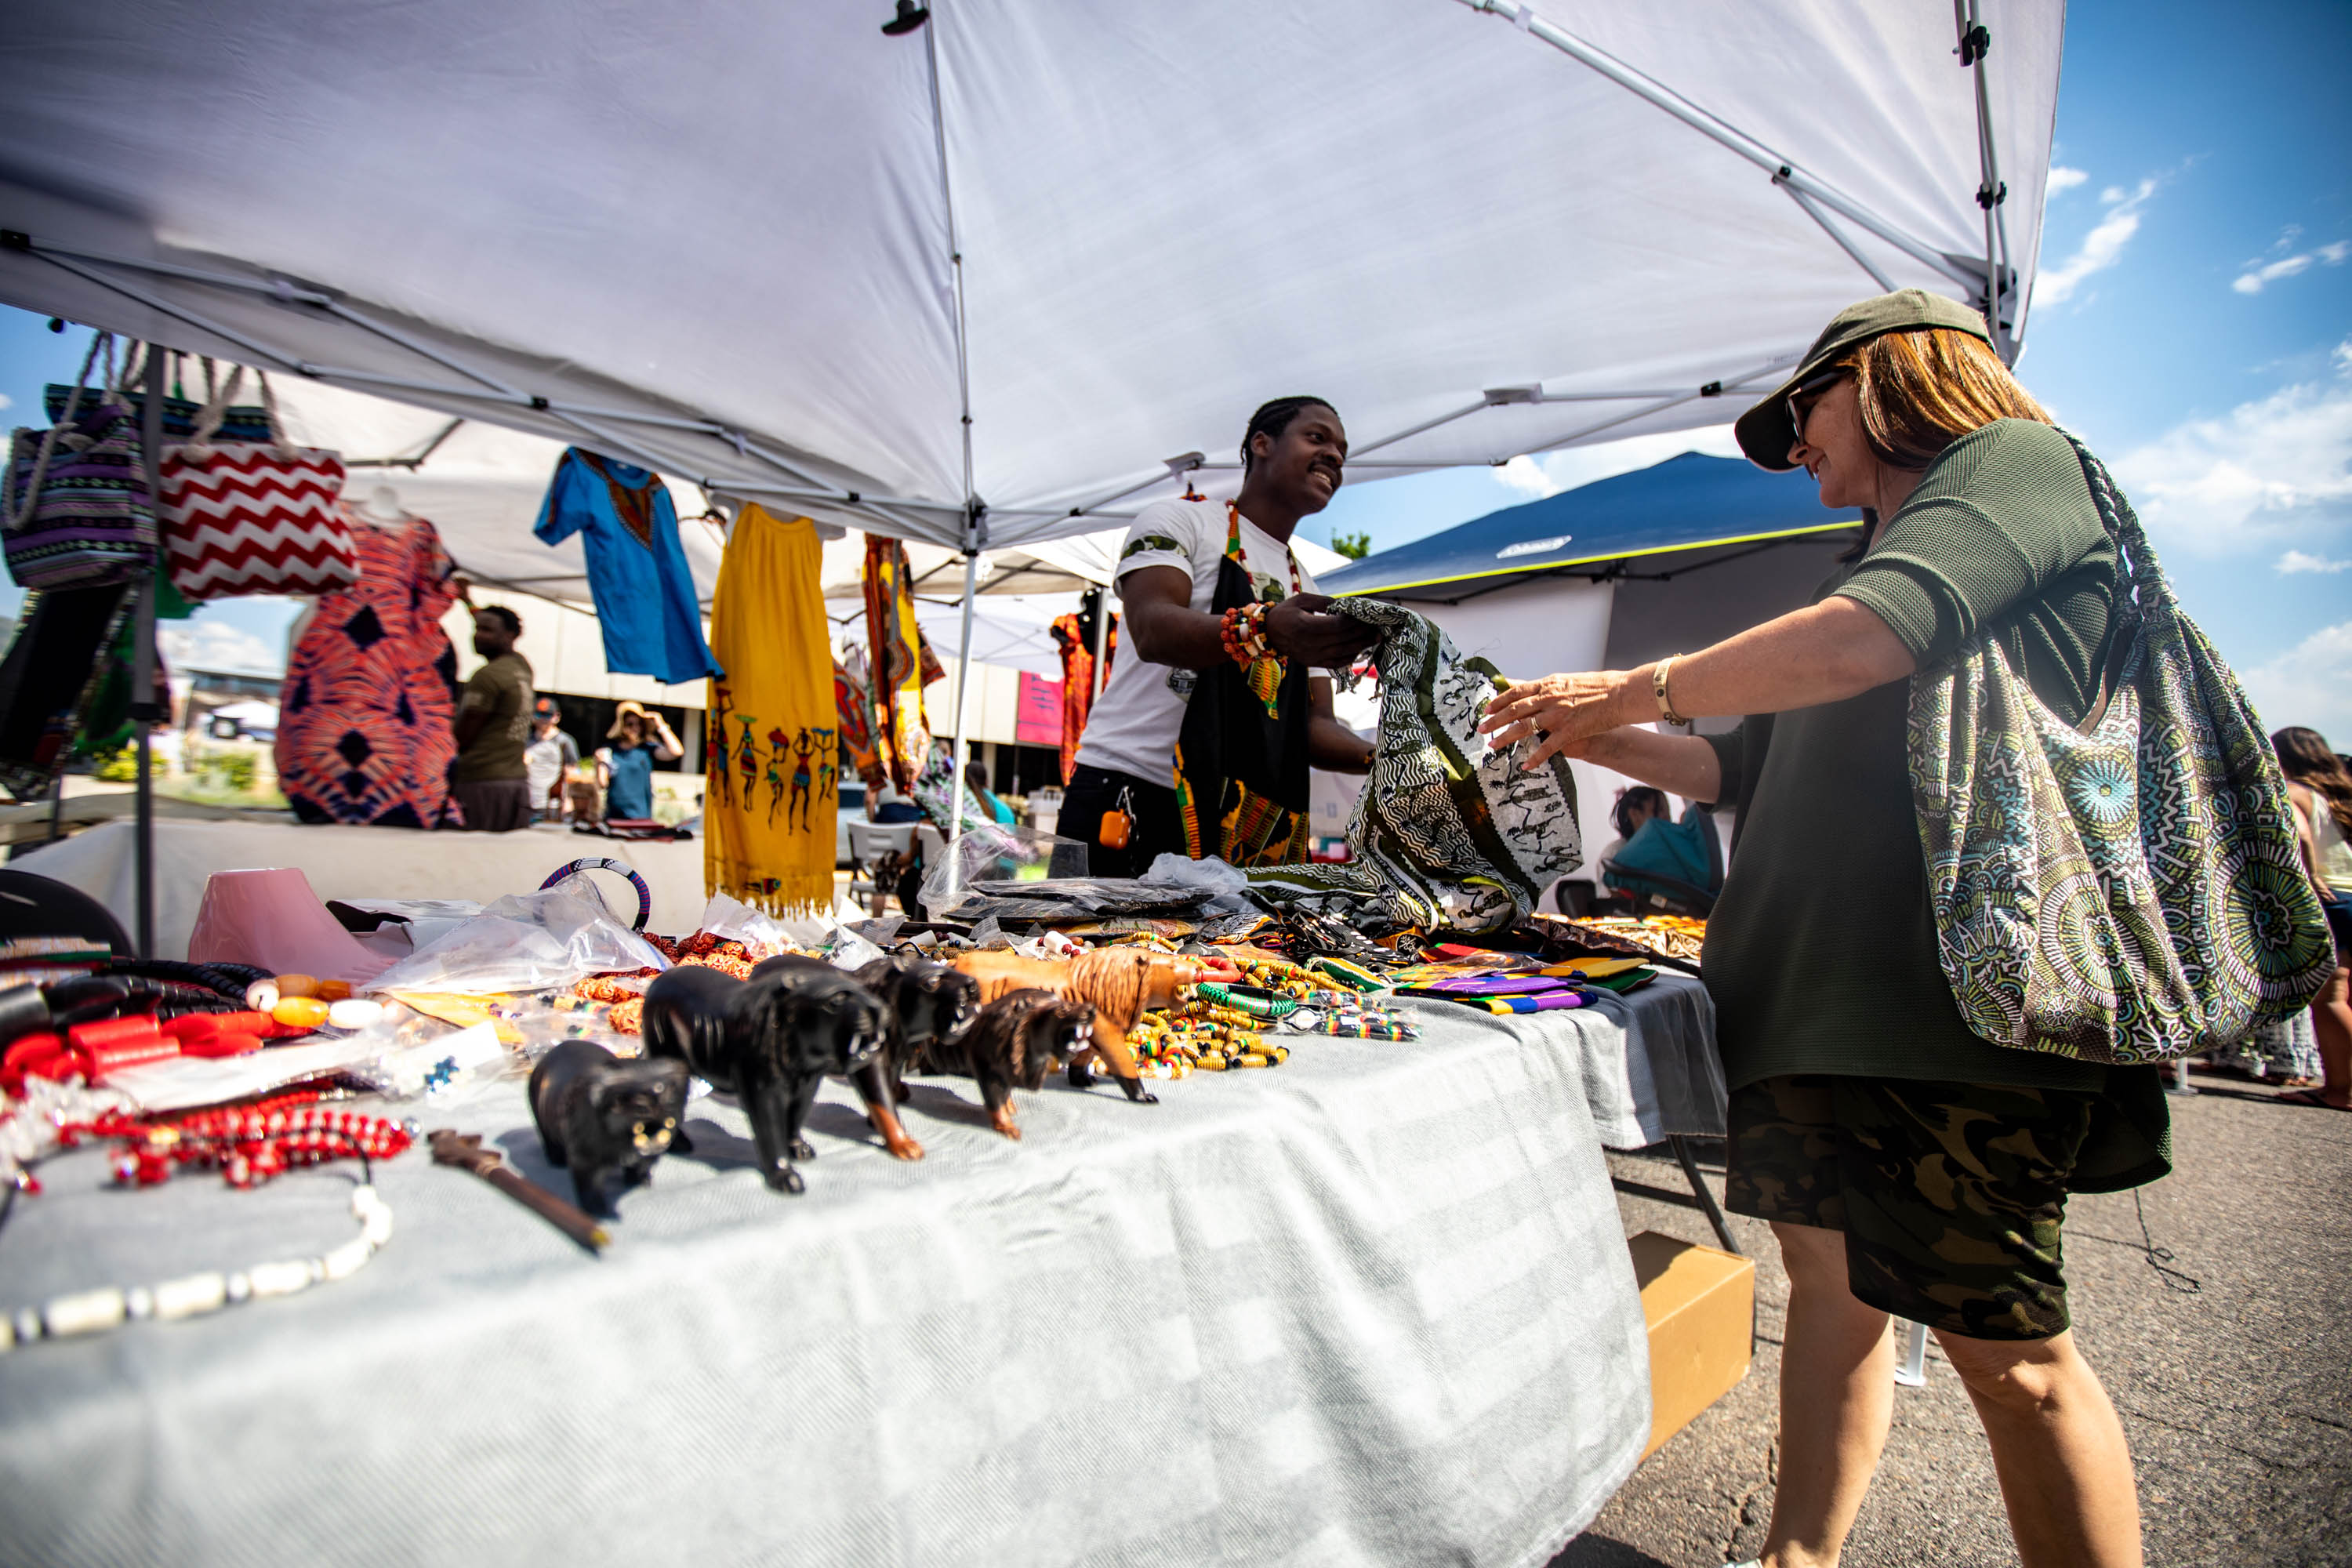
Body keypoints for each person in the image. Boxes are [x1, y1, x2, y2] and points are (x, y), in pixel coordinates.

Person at [1480, 291, 2161, 1568]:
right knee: (1835, 1310)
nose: (1798, 451)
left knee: (2013, 1361)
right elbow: (1730, 770)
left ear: (1901, 376)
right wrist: (1586, 729)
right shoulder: (1865, 567)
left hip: (1942, 1014)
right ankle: (1799, 1557)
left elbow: (1867, 642)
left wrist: (1630, 682)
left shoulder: (2016, 469)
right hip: (1809, 1007)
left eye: (1804, 412)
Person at [1062, 397, 1378, 876]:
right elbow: (1152, 629)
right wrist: (1265, 629)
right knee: (1082, 949)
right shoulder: (1179, 521)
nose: (1334, 456)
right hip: (1129, 791)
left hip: (1238, 826)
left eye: (1342, 450)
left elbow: (1313, 726)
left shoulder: (1304, 587)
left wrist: (1393, 759)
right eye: (1317, 438)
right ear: (1262, 444)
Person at [2273, 725, 2352, 1110]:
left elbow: (2300, 837)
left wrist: (2311, 875)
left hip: (2331, 898)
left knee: (2330, 997)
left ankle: (2340, 1090)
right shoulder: (2341, 794)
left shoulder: (2296, 792)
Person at [448, 604, 535, 832]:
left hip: (482, 781)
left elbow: (464, 736)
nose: (477, 636)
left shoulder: (486, 677)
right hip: (514, 782)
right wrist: (468, 603)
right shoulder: (522, 667)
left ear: (509, 636)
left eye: (486, 630)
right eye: (477, 628)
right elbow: (503, 624)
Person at [596, 700, 681, 822]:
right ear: (621, 725)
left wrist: (661, 725)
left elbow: (676, 752)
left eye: (639, 724)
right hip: (615, 815)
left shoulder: (647, 749)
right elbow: (602, 784)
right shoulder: (610, 750)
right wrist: (601, 763)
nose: (635, 728)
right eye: (630, 724)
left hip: (640, 815)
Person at [524, 698, 579, 823]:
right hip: (528, 803)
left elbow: (572, 775)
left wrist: (568, 801)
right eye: (539, 714)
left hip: (553, 807)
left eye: (548, 715)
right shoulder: (527, 741)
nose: (543, 719)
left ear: (556, 717)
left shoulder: (564, 742)